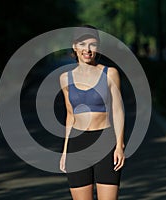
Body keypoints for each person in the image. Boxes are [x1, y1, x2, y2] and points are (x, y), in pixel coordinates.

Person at [59, 25, 125, 200]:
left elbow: (118, 111)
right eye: (82, 44)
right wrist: (65, 150)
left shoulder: (110, 73)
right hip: (77, 146)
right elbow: (70, 116)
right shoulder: (65, 78)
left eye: (92, 44)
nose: (87, 50)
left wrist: (119, 145)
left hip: (105, 143)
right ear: (75, 46)